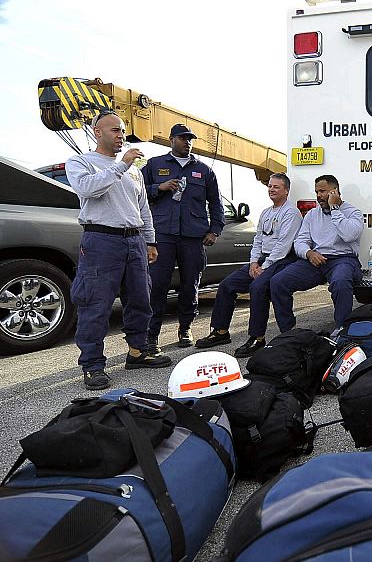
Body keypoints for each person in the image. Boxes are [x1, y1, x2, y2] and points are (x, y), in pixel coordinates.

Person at [65, 111, 171, 390]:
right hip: (101, 241)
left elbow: (143, 208)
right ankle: (93, 365)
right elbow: (87, 189)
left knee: (140, 299)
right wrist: (121, 166)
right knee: (95, 305)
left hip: (134, 241)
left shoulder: (134, 171)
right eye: (114, 130)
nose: (121, 135)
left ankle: (138, 351)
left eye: (122, 131)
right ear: (96, 133)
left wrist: (150, 241)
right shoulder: (81, 162)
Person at [195, 173, 302, 357]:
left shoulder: (291, 214)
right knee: (227, 285)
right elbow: (258, 240)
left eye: (276, 187)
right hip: (262, 261)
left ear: (286, 190)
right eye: (270, 186)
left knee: (258, 287)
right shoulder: (266, 212)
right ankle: (220, 331)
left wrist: (264, 267)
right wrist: (253, 263)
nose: (271, 189)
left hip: (282, 260)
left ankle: (257, 338)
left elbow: (283, 246)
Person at [141, 123, 225, 350]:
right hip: (162, 235)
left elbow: (216, 203)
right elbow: (136, 191)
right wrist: (159, 187)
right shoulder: (154, 165)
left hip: (192, 237)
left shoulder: (204, 170)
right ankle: (151, 334)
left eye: (190, 139)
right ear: (171, 139)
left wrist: (215, 230)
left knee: (190, 285)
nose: (187, 142)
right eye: (182, 138)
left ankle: (185, 328)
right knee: (157, 285)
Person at [270, 175, 364, 331]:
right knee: (278, 281)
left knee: (341, 282)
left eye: (322, 191)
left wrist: (334, 209)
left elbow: (349, 234)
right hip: (316, 259)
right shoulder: (312, 214)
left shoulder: (353, 212)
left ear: (335, 192)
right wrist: (308, 253)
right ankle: (288, 333)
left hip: (343, 259)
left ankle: (342, 332)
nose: (319, 196)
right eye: (316, 192)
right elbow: (300, 241)